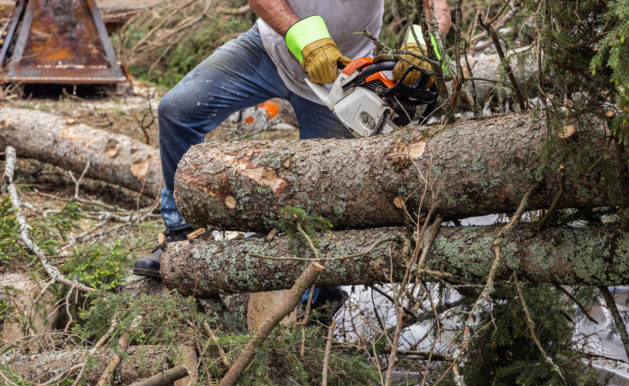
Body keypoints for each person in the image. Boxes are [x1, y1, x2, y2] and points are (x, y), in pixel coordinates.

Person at [133, 0, 451, 309]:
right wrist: (299, 34)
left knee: (326, 193)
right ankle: (184, 233)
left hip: (341, 74)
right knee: (177, 110)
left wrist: (427, 44)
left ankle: (318, 298)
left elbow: (436, 5)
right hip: (269, 50)